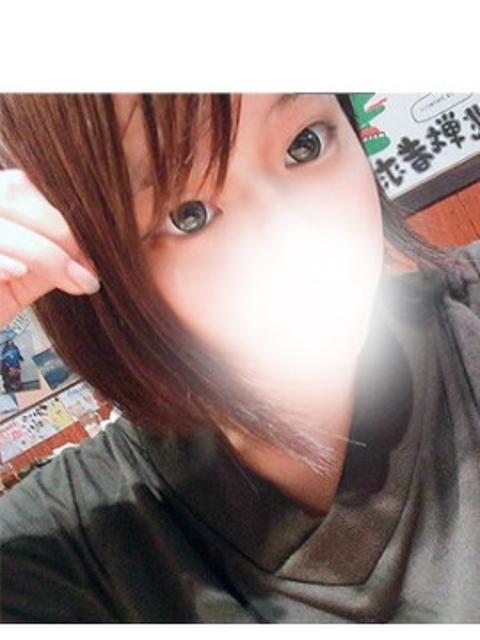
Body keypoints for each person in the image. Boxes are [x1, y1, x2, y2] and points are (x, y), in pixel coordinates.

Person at [0, 93, 479, 623]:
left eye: (306, 145)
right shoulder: (74, 554)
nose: (301, 240)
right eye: (189, 216)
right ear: (96, 273)